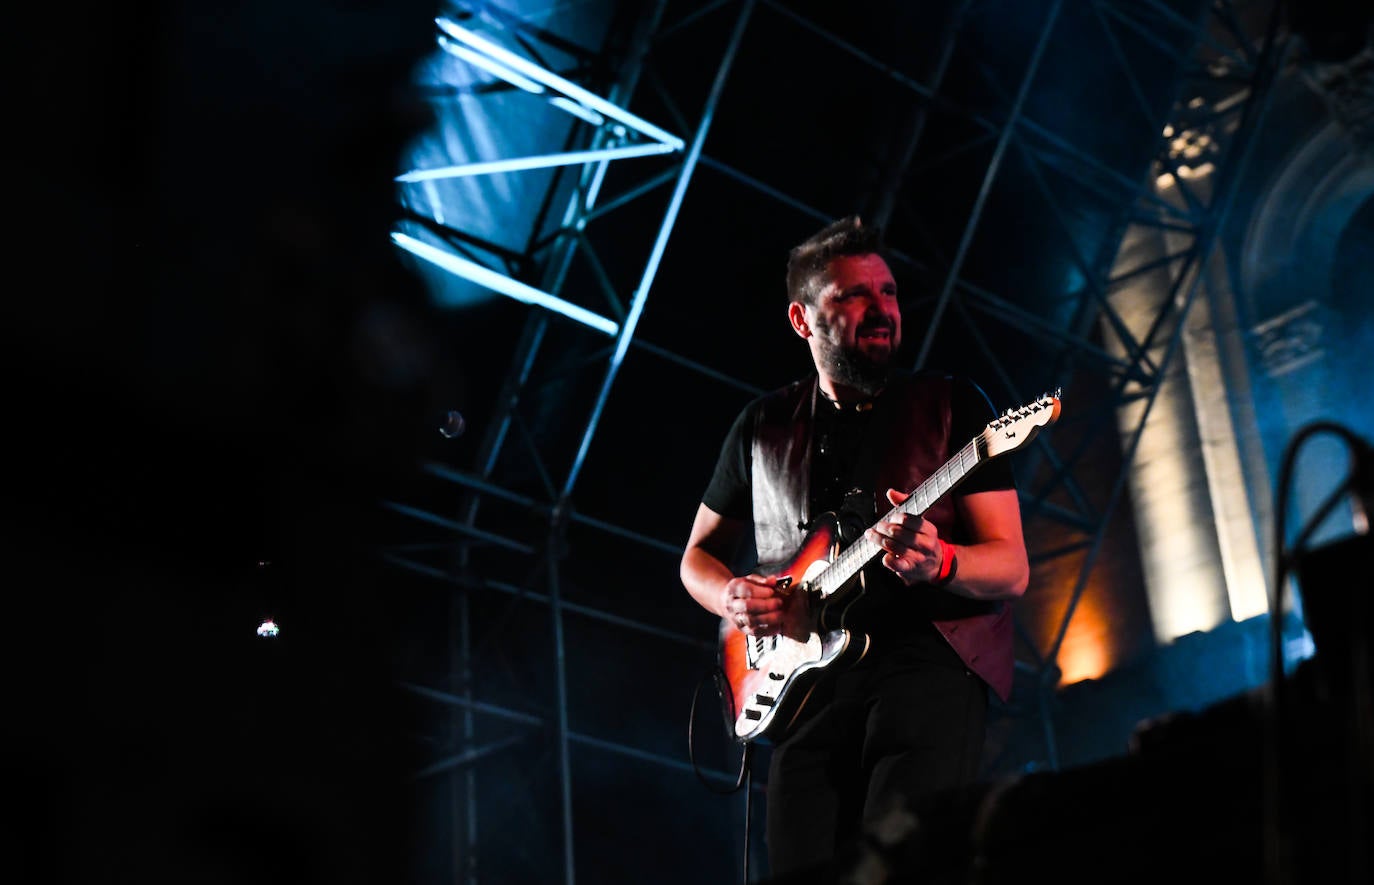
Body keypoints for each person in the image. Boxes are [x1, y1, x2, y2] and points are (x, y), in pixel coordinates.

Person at [679, 215, 1029, 880]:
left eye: (890, 292)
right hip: (805, 693)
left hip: (927, 671)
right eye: (853, 295)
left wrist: (942, 560)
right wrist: (731, 594)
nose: (882, 308)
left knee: (904, 866)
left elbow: (1010, 567)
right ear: (801, 318)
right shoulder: (759, 426)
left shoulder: (953, 405)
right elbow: (695, 557)